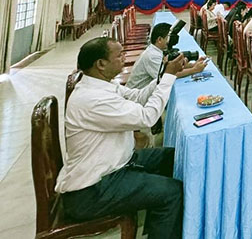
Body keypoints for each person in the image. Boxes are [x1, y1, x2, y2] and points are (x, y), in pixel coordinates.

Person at [57, 37, 185, 239]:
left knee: (174, 157)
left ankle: (161, 225)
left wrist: (164, 75)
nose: (124, 58)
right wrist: (169, 77)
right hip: (91, 190)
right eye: (119, 55)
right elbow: (147, 117)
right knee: (172, 192)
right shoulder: (93, 99)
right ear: (101, 64)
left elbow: (138, 97)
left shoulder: (102, 85)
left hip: (116, 163)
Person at [126, 23, 207, 89]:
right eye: (168, 38)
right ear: (159, 40)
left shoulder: (157, 50)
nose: (170, 40)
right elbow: (168, 75)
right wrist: (194, 70)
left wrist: (193, 65)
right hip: (136, 97)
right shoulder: (153, 56)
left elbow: (170, 66)